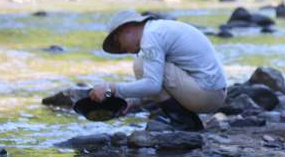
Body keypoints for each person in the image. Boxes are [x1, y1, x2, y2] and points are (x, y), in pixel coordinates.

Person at [90, 11, 227, 131]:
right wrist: (134, 100)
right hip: (212, 92)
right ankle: (188, 122)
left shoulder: (151, 36)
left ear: (126, 29)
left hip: (208, 95)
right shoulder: (157, 29)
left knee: (141, 65)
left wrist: (111, 88)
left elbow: (153, 85)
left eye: (120, 45)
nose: (126, 51)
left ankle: (186, 123)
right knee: (145, 65)